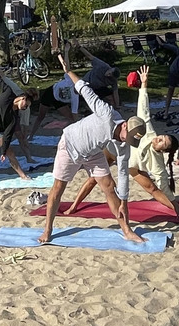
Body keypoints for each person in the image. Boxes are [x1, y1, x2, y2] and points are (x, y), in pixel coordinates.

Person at [38, 51, 147, 245]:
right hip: (70, 145)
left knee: (109, 187)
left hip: (93, 152)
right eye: (126, 136)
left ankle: (126, 230)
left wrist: (124, 202)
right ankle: (47, 230)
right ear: (124, 126)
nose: (125, 140)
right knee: (58, 188)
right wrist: (69, 71)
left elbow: (123, 174)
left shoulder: (124, 145)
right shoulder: (106, 113)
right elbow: (85, 90)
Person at [67, 64, 179, 220]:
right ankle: (74, 205)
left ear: (161, 151)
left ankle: (177, 210)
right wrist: (144, 84)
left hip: (132, 165)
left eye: (162, 143)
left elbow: (163, 186)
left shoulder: (157, 164)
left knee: (152, 188)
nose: (158, 139)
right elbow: (143, 110)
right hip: (113, 151)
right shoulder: (149, 133)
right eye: (162, 137)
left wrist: (176, 205)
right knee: (93, 179)